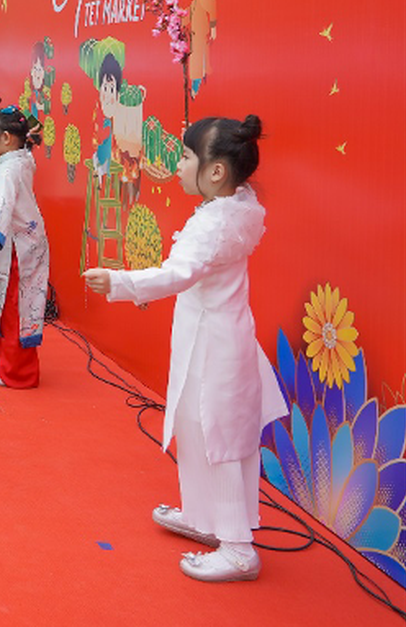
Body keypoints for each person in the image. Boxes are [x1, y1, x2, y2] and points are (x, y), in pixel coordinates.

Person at [83, 115, 283, 584]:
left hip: (215, 348)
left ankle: (238, 548)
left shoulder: (215, 222)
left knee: (219, 439)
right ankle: (203, 517)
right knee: (199, 431)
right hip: (213, 341)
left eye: (187, 156)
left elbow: (179, 273)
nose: (178, 165)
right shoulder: (238, 207)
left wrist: (121, 282)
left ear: (216, 171)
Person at [0, 107, 50, 389]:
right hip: (20, 244)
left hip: (18, 248)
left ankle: (18, 372)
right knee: (6, 303)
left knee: (14, 308)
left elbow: (3, 205)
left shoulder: (8, 169)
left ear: (6, 138)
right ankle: (5, 362)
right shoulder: (22, 159)